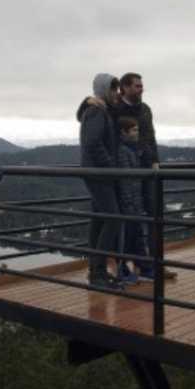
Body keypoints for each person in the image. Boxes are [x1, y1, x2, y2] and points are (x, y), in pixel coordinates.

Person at [77, 73, 123, 289]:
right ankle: (98, 273)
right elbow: (93, 143)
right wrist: (110, 167)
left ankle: (98, 272)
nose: (117, 93)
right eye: (113, 89)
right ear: (105, 89)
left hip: (96, 173)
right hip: (99, 174)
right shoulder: (96, 111)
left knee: (99, 221)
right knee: (113, 218)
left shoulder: (99, 109)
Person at [114, 73, 160, 213]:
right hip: (126, 164)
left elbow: (151, 136)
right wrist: (88, 101)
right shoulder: (115, 108)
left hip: (146, 163)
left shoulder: (145, 109)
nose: (141, 89)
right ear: (125, 87)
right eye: (137, 86)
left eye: (141, 86)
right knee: (131, 208)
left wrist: (154, 160)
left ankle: (153, 235)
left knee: (153, 205)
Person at [115, 117, 149, 284]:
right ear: (124, 132)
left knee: (136, 235)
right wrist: (130, 203)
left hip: (134, 201)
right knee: (128, 236)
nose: (137, 133)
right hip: (130, 203)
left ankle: (142, 267)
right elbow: (126, 180)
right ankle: (123, 270)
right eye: (134, 130)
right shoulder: (123, 151)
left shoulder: (130, 149)